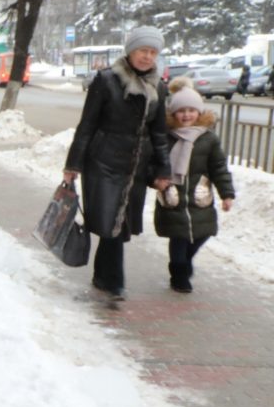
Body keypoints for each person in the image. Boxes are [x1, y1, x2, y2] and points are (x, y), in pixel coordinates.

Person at [62, 25, 173, 301]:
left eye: (152, 52)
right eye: (142, 50)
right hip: (103, 161)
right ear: (130, 51)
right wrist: (72, 165)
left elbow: (159, 134)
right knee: (110, 220)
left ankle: (102, 275)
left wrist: (163, 170)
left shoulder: (158, 87)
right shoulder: (107, 80)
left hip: (136, 165)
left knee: (120, 225)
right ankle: (114, 281)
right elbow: (86, 125)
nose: (147, 57)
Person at [153, 78, 236, 292]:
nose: (186, 115)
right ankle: (179, 275)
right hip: (173, 198)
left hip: (199, 198)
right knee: (178, 237)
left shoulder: (209, 139)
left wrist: (227, 194)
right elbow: (152, 162)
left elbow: (219, 168)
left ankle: (184, 263)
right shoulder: (165, 137)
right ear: (173, 114)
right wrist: (156, 179)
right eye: (181, 110)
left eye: (191, 110)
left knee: (203, 233)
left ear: (200, 112)